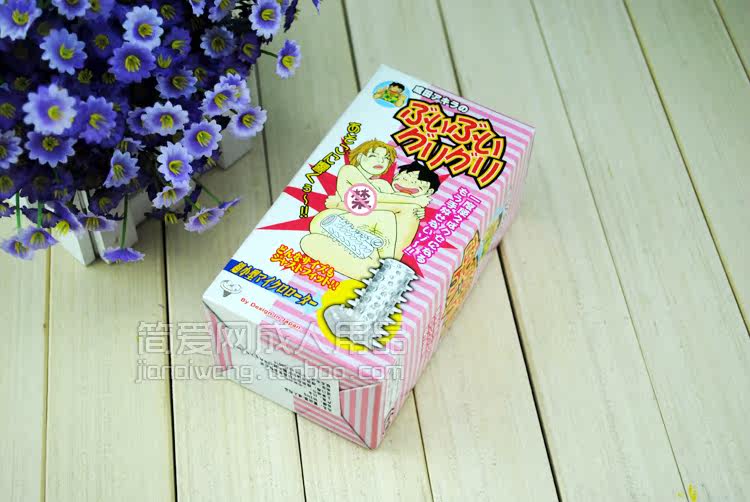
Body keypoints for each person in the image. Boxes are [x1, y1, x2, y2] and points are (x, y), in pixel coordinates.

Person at [301, 140, 439, 279]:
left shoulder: (384, 186)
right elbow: (373, 199)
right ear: (360, 157)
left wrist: (413, 207)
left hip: (365, 239)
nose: (381, 161)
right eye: (374, 156)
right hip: (333, 222)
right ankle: (387, 265)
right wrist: (413, 201)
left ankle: (376, 269)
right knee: (389, 215)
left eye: (386, 158)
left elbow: (377, 203)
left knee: (310, 242)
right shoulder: (350, 170)